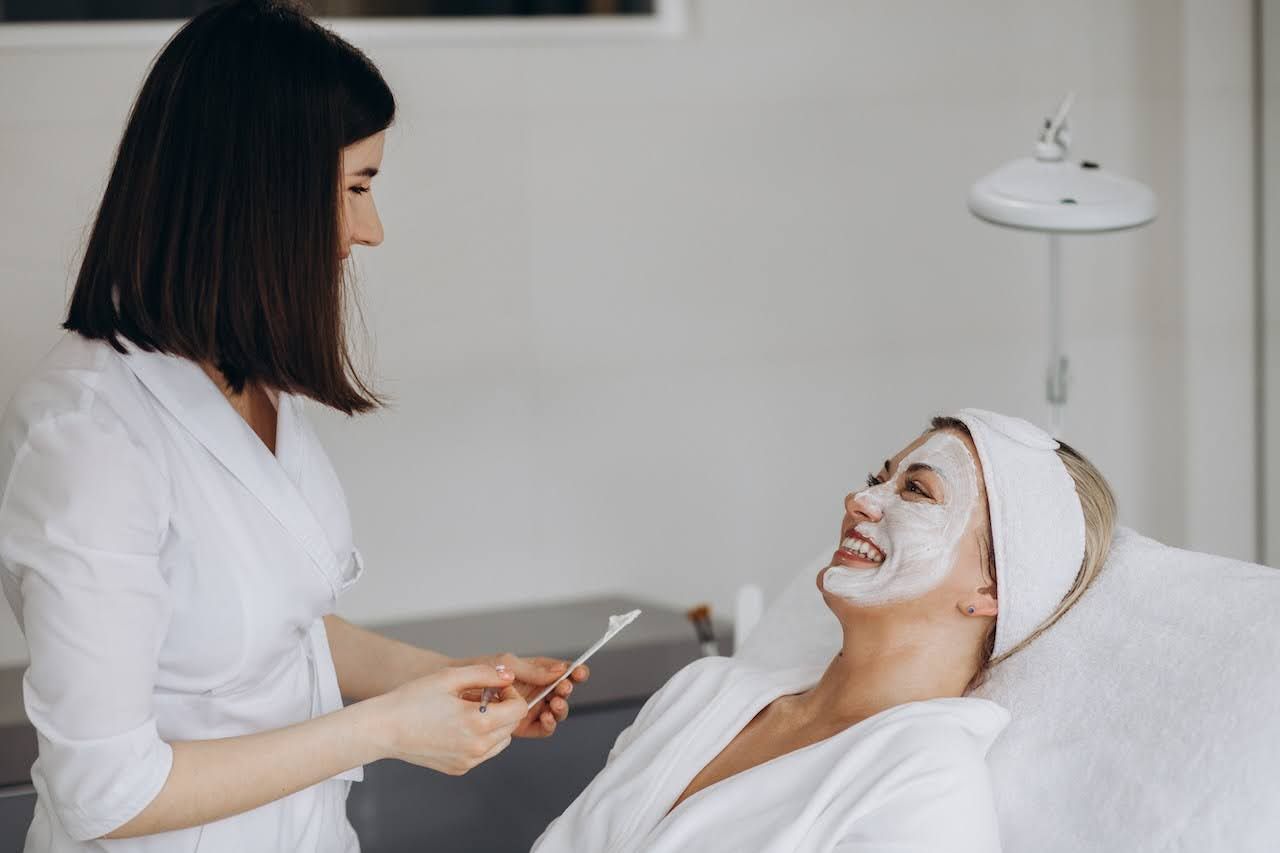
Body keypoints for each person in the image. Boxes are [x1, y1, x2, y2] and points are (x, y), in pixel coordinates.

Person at [0, 3, 586, 851]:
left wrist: (457, 682)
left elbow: (270, 623)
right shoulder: (88, 436)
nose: (369, 230)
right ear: (257, 191)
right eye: (354, 189)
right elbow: (104, 792)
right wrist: (387, 728)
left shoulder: (249, 377)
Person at [533, 409, 1116, 853]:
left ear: (993, 588)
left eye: (915, 490)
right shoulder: (704, 693)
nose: (859, 500)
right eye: (876, 479)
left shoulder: (927, 787)